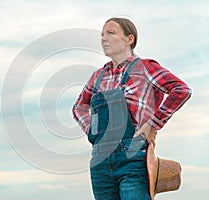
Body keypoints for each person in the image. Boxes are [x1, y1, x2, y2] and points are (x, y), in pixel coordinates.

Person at [72, 17, 192, 200]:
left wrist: (154, 123)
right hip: (100, 162)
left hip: (133, 156)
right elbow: (79, 108)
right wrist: (92, 132)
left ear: (130, 39)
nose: (104, 38)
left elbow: (181, 90)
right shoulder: (97, 76)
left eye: (110, 33)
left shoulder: (145, 68)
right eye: (102, 34)